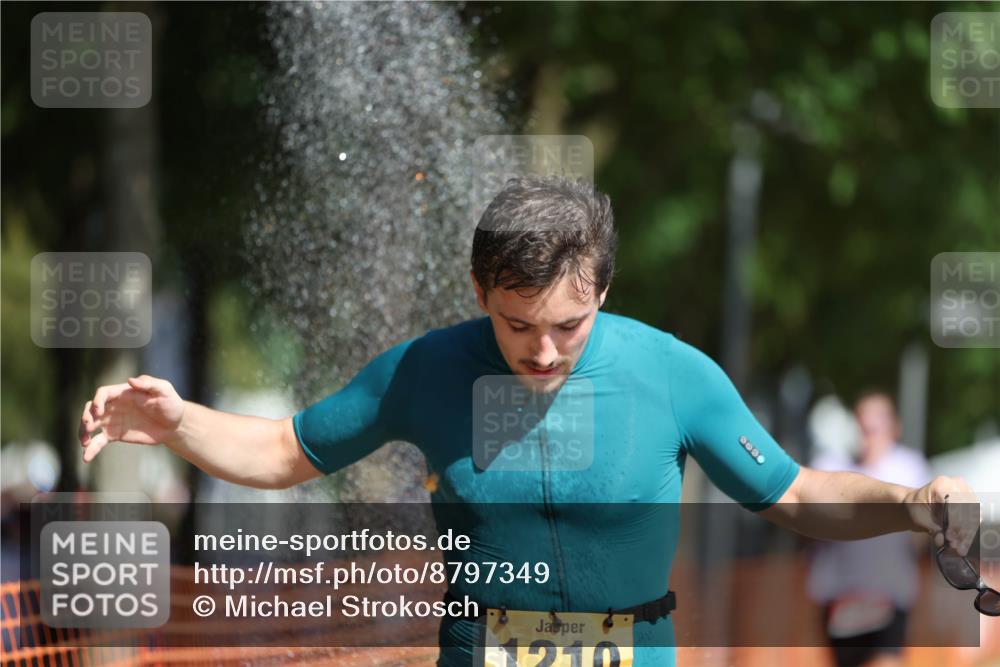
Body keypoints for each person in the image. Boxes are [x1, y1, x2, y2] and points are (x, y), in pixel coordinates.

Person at [78, 176, 977, 667]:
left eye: (568, 326)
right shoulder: (426, 368)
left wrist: (912, 501)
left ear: (605, 291)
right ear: (480, 292)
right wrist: (178, 420)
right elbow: (285, 449)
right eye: (517, 325)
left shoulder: (672, 372)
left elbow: (797, 491)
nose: (543, 351)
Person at [807, 392, 932, 667]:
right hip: (840, 598)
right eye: (862, 425)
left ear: (892, 428)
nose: (867, 434)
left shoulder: (909, 468)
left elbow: (921, 534)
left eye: (874, 427)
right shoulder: (830, 467)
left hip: (888, 596)